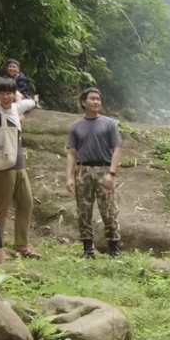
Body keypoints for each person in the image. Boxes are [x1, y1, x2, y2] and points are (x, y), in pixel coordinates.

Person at [0, 76, 41, 259]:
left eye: (9, 93)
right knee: (2, 207)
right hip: (3, 165)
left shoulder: (15, 107)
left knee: (26, 202)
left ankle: (22, 246)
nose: (5, 97)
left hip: (18, 162)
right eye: (2, 93)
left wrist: (32, 101)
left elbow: (29, 103)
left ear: (14, 94)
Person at [66, 87, 123, 259]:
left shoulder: (109, 123)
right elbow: (71, 153)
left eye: (98, 99)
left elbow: (118, 149)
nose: (96, 101)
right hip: (83, 170)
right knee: (83, 210)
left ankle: (114, 249)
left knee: (109, 211)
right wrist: (69, 177)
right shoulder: (76, 126)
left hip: (103, 169)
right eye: (92, 98)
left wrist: (111, 173)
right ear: (84, 102)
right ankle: (87, 249)